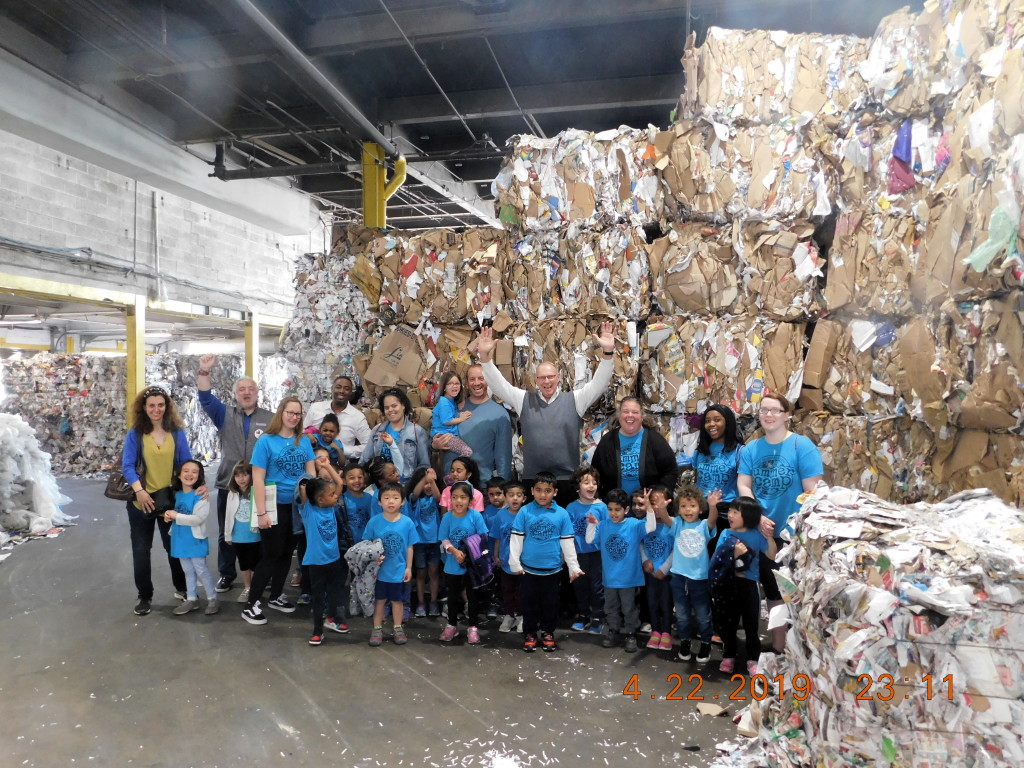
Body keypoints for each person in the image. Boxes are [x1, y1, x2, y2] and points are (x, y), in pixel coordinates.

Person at [475, 323, 617, 506]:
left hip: (567, 480)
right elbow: (498, 386)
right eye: (542, 378)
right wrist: (485, 357)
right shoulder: (523, 399)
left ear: (559, 377)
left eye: (551, 377)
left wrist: (608, 353)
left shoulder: (575, 399)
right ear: (536, 381)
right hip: (534, 481)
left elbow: (599, 384)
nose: (547, 381)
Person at [737, 394, 823, 651]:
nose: (769, 415)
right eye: (764, 410)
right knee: (774, 593)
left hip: (795, 536)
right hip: (764, 532)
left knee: (798, 593)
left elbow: (814, 491)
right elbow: (744, 484)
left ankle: (801, 649)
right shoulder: (752, 449)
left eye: (775, 410)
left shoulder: (801, 446)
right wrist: (756, 516)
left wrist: (801, 527)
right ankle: (778, 649)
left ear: (787, 415)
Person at [197, 354, 274, 595]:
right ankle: (227, 574)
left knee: (261, 530)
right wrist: (204, 371)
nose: (247, 392)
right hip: (229, 485)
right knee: (227, 531)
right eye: (242, 389)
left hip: (259, 485)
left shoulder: (269, 419)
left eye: (251, 389)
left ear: (257, 393)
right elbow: (206, 399)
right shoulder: (225, 414)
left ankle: (261, 574)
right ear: (235, 394)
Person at [241, 397, 316, 626]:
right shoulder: (266, 442)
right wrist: (262, 512)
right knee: (271, 555)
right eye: (290, 412)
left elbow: (310, 475)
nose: (294, 417)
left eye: (298, 414)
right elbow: (258, 478)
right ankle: (251, 604)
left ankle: (275, 596)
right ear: (281, 413)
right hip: (273, 506)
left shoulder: (303, 441)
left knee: (286, 554)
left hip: (297, 507)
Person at [121, 385, 191, 616]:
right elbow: (128, 465)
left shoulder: (177, 432)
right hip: (140, 503)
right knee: (141, 550)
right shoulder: (136, 433)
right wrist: (140, 492)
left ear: (167, 407)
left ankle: (182, 588)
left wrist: (195, 487)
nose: (156, 409)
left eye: (161, 405)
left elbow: (185, 464)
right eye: (151, 405)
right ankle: (144, 596)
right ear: (144, 407)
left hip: (168, 501)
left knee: (174, 547)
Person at [507, 471, 584, 653]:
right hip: (528, 571)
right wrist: (514, 563)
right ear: (532, 491)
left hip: (553, 570)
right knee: (529, 604)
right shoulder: (525, 511)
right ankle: (530, 634)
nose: (543, 495)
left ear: (555, 492)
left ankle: (548, 633)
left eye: (547, 490)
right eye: (539, 490)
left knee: (551, 604)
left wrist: (573, 567)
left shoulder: (562, 514)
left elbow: (567, 543)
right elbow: (516, 539)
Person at [585, 488, 656, 654]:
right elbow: (589, 539)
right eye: (610, 509)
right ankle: (613, 630)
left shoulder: (633, 525)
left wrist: (649, 507)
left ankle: (631, 633)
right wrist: (590, 524)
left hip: (629, 579)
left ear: (626, 510)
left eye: (617, 510)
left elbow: (651, 527)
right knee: (610, 607)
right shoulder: (603, 525)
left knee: (629, 607)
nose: (613, 513)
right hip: (609, 579)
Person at [714, 497, 777, 675]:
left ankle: (753, 659)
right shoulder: (725, 533)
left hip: (749, 585)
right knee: (729, 623)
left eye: (736, 512)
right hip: (729, 584)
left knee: (751, 625)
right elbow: (717, 559)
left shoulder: (756, 535)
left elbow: (772, 556)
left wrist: (770, 539)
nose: (730, 516)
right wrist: (732, 553)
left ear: (748, 516)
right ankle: (728, 656)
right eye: (730, 512)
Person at [361, 482, 419, 647]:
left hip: (398, 571)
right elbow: (366, 545)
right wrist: (373, 559)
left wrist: (408, 567)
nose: (391, 501)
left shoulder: (407, 523)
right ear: (379, 502)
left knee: (397, 601)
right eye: (386, 498)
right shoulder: (374, 522)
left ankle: (397, 627)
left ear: (402, 501)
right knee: (379, 601)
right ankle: (377, 628)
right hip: (378, 572)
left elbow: (410, 547)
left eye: (395, 498)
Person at [667, 484, 719, 663]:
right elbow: (666, 519)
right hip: (678, 578)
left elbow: (712, 520)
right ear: (678, 509)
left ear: (700, 508)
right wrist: (659, 508)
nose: (688, 510)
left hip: (699, 579)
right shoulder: (677, 524)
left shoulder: (704, 526)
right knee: (681, 615)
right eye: (683, 506)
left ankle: (705, 643)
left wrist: (713, 506)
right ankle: (685, 641)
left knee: (703, 615)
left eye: (692, 506)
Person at [432, 364, 512, 483]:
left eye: (481, 378)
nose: (476, 383)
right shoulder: (454, 407)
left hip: (482, 483)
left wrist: (503, 486)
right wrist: (435, 445)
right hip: (451, 484)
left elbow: (503, 457)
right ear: (466, 383)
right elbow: (435, 433)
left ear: (488, 380)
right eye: (472, 379)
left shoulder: (500, 414)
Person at [296, 457, 346, 646]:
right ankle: (317, 630)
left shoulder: (330, 508)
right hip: (316, 562)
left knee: (334, 592)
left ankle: (331, 619)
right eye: (332, 495)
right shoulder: (309, 510)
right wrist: (311, 478)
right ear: (319, 499)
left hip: (333, 559)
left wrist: (326, 466)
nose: (336, 496)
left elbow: (340, 482)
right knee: (318, 597)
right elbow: (304, 490)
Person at [437, 481, 490, 645]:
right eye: (455, 497)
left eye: (463, 497)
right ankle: (451, 625)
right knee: (452, 597)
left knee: (472, 597)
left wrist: (468, 551)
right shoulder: (447, 517)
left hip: (471, 566)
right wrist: (454, 551)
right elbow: (444, 538)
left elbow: (483, 536)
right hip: (452, 564)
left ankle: (472, 627)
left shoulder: (475, 516)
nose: (458, 501)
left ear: (470, 499)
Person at [591, 397, 678, 497]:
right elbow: (595, 473)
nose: (630, 415)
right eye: (625, 411)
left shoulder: (656, 440)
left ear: (642, 416)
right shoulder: (607, 441)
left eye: (635, 412)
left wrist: (660, 496)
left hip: (649, 509)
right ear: (619, 415)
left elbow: (670, 471)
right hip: (614, 509)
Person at [165, 460, 217, 616]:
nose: (189, 474)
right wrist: (169, 516)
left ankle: (212, 598)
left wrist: (176, 515)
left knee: (201, 569)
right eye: (186, 471)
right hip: (180, 539)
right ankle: (192, 598)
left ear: (199, 475)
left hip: (194, 540)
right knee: (187, 570)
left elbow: (198, 519)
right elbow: (175, 514)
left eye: (194, 471)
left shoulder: (201, 495)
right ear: (179, 475)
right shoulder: (177, 494)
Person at [687, 405, 743, 549]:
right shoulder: (700, 451)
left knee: (718, 560)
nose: (711, 424)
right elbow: (698, 479)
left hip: (724, 515)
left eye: (717, 420)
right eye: (707, 421)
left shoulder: (739, 451)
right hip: (699, 512)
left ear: (728, 422)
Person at [566, 466, 606, 635]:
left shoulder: (602, 507)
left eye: (594, 483)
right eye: (586, 482)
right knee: (580, 586)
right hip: (578, 554)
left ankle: (597, 616)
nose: (591, 486)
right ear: (577, 487)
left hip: (597, 554)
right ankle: (583, 614)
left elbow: (607, 530)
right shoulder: (571, 508)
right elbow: (567, 533)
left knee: (597, 586)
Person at [360, 387, 430, 483]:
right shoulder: (377, 430)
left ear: (403, 405)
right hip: (381, 486)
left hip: (406, 485)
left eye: (394, 406)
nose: (390, 410)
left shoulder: (417, 431)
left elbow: (424, 465)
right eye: (386, 407)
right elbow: (365, 459)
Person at [303, 375, 371, 462]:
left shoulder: (358, 417)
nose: (342, 391)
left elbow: (369, 446)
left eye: (346, 389)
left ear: (351, 392)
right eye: (338, 387)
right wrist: (309, 437)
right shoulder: (316, 408)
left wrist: (343, 449)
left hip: (340, 466)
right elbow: (302, 433)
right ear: (332, 388)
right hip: (313, 462)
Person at [641, 485, 676, 651]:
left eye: (661, 502)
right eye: (653, 503)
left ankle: (667, 632)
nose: (657, 507)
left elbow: (678, 548)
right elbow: (640, 543)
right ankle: (655, 631)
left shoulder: (673, 525)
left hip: (666, 573)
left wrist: (665, 568)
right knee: (652, 601)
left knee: (666, 603)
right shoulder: (645, 524)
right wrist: (645, 560)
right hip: (650, 572)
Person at [405, 467, 442, 618]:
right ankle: (420, 602)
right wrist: (425, 478)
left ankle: (433, 601)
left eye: (431, 483)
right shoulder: (414, 500)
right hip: (419, 542)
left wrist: (432, 481)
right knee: (420, 574)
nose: (428, 486)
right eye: (425, 483)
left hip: (435, 542)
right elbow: (415, 493)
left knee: (433, 573)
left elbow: (438, 496)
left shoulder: (435, 499)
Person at [222, 462, 259, 605]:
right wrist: (227, 535)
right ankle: (247, 587)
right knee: (243, 563)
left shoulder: (256, 491)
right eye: (237, 475)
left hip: (255, 535)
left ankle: (256, 587)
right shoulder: (232, 493)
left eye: (244, 474)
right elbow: (227, 515)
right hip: (238, 536)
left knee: (255, 563)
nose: (241, 479)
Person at [490, 480, 524, 633]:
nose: (515, 498)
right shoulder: (500, 515)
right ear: (505, 497)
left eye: (518, 495)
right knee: (507, 590)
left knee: (521, 591)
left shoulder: (526, 514)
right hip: (505, 561)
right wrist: (496, 555)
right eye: (511, 495)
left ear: (524, 498)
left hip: (523, 563)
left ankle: (522, 616)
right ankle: (509, 615)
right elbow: (497, 537)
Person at [431, 371, 474, 457]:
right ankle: (459, 467)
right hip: (444, 436)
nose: (454, 386)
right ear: (444, 387)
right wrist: (461, 419)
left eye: (457, 383)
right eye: (450, 383)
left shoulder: (451, 401)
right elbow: (447, 421)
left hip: (448, 435)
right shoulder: (444, 402)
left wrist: (460, 414)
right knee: (467, 451)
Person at [343, 464, 373, 543]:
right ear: (344, 481)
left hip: (367, 543)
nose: (357, 480)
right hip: (349, 546)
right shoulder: (342, 501)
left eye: (360, 477)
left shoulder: (369, 497)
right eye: (352, 478)